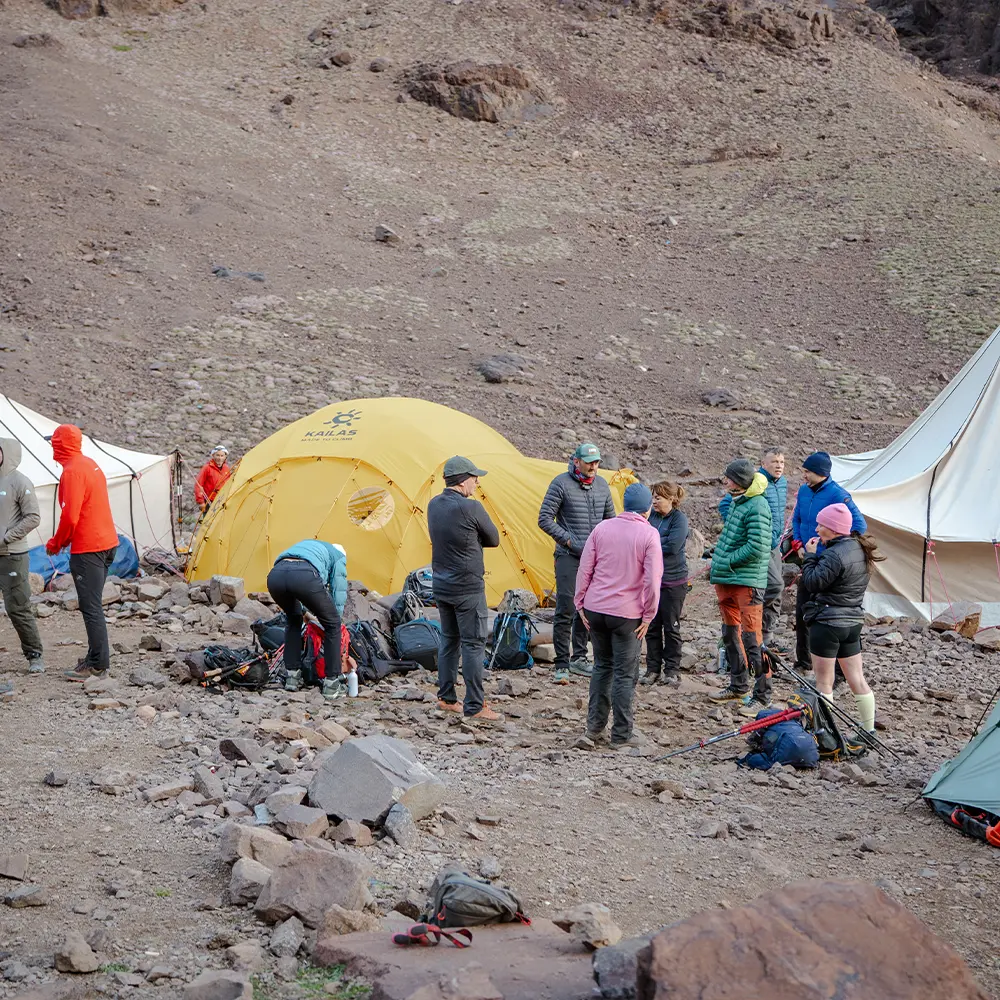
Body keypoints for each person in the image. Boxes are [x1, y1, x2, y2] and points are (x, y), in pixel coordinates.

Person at [575, 482, 663, 749]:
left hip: (595, 609)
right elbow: (652, 580)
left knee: (602, 667)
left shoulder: (602, 528)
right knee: (625, 674)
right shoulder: (649, 535)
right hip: (627, 614)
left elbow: (584, 568)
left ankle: (593, 729)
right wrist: (649, 615)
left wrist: (579, 603)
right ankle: (621, 735)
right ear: (648, 508)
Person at [428, 456, 502, 723]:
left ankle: (447, 698)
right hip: (468, 586)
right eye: (474, 477)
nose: (477, 481)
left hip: (442, 584)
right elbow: (493, 538)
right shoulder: (472, 508)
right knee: (473, 644)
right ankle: (474, 705)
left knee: (449, 640)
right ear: (462, 480)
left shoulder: (433, 504)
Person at [45, 425, 119, 681]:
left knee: (91, 607)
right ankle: (95, 657)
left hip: (90, 548)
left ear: (59, 445)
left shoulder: (72, 472)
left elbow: (70, 516)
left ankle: (98, 665)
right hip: (108, 542)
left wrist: (56, 543)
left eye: (52, 443)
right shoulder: (89, 463)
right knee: (93, 604)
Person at [800, 503, 882, 733]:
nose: (816, 529)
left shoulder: (834, 555)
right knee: (857, 678)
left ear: (834, 529)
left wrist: (809, 556)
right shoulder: (860, 549)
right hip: (852, 622)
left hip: (827, 623)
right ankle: (868, 731)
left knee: (824, 682)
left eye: (821, 525)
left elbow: (812, 582)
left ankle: (826, 733)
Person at [538, 442, 615, 684]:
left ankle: (579, 658)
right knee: (566, 607)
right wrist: (569, 541)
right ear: (576, 461)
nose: (594, 466)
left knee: (588, 607)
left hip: (594, 558)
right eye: (589, 462)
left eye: (597, 462)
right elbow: (544, 519)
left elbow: (610, 520)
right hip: (568, 555)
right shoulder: (561, 483)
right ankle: (562, 663)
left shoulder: (602, 485)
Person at [791, 451, 866, 675]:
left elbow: (859, 527)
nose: (803, 475)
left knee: (830, 617)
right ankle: (803, 662)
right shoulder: (804, 491)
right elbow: (797, 519)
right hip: (807, 558)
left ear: (821, 473)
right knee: (802, 611)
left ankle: (839, 671)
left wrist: (830, 550)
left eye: (807, 472)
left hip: (827, 564)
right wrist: (798, 544)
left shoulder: (838, 494)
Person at [708, 459, 772, 713]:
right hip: (729, 579)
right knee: (730, 634)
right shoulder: (739, 501)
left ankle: (763, 695)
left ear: (740, 481)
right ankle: (738, 686)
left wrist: (727, 561)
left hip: (745, 582)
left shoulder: (757, 505)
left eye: (729, 477)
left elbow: (758, 546)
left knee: (752, 639)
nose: (725, 481)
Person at [720, 448, 787, 647]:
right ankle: (747, 625)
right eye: (774, 461)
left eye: (782, 462)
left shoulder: (782, 484)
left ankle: (766, 636)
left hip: (775, 544)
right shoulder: (756, 483)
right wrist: (739, 527)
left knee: (776, 591)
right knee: (774, 585)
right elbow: (727, 504)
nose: (778, 466)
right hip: (761, 544)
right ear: (763, 464)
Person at [267, 539, 347, 694]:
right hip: (303, 575)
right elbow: (338, 590)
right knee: (333, 625)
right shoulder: (338, 556)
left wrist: (304, 612)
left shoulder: (311, 547)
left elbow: (300, 587)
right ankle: (332, 684)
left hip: (276, 575)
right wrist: (335, 619)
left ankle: (292, 677)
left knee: (293, 619)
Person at [0, 438, 44, 675]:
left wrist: (6, 537)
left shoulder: (19, 481)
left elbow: (33, 517)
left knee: (17, 607)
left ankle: (34, 655)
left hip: (12, 555)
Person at [641, 481, 689, 687]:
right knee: (651, 626)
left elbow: (673, 545)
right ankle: (652, 669)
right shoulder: (650, 517)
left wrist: (650, 543)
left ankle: (672, 669)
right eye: (653, 497)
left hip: (673, 580)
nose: (655, 501)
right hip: (651, 580)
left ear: (671, 499)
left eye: (658, 497)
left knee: (671, 626)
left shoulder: (679, 519)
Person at [195, 446, 231, 513]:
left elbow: (229, 484)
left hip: (222, 500)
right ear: (213, 455)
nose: (219, 458)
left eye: (222, 456)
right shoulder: (207, 468)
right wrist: (201, 502)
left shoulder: (226, 468)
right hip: (209, 501)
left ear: (225, 457)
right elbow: (199, 484)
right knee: (208, 522)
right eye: (217, 455)